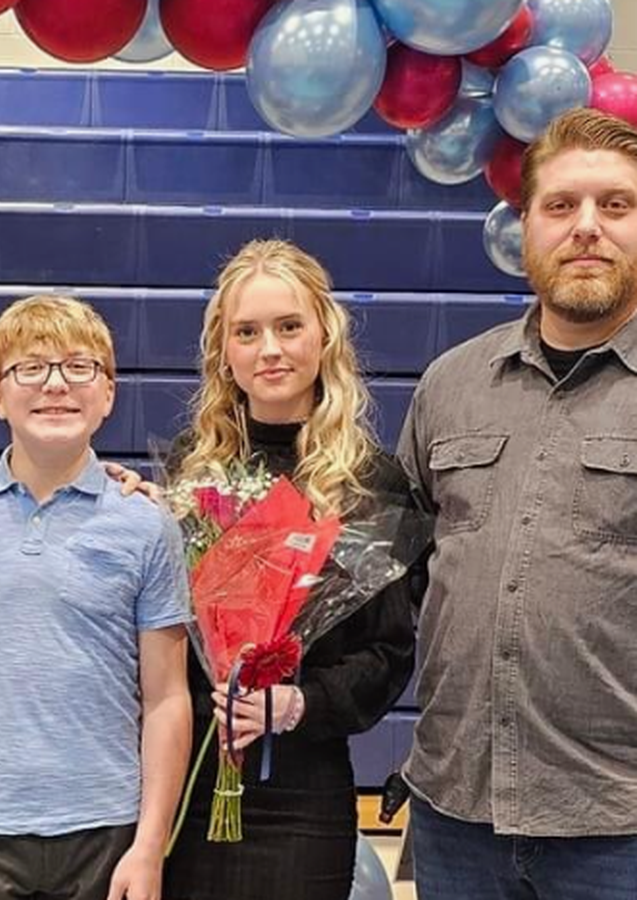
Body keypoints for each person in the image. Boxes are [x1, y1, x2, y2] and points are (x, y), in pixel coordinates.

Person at [397, 108, 637, 899]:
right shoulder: (451, 384)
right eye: (561, 205)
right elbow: (391, 570)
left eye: (617, 205)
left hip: (619, 829)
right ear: (524, 226)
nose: (587, 227)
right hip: (456, 813)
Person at [0, 295, 193, 900]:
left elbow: (167, 697)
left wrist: (149, 844)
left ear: (108, 394)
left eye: (79, 367)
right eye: (30, 368)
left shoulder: (146, 524)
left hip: (104, 828)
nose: (55, 385)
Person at [161, 239, 416, 900]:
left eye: (289, 326)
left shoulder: (370, 483)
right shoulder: (192, 470)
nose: (269, 349)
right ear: (224, 351)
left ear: (324, 336)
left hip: (303, 794)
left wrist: (299, 703)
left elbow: (389, 655)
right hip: (190, 783)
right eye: (247, 332)